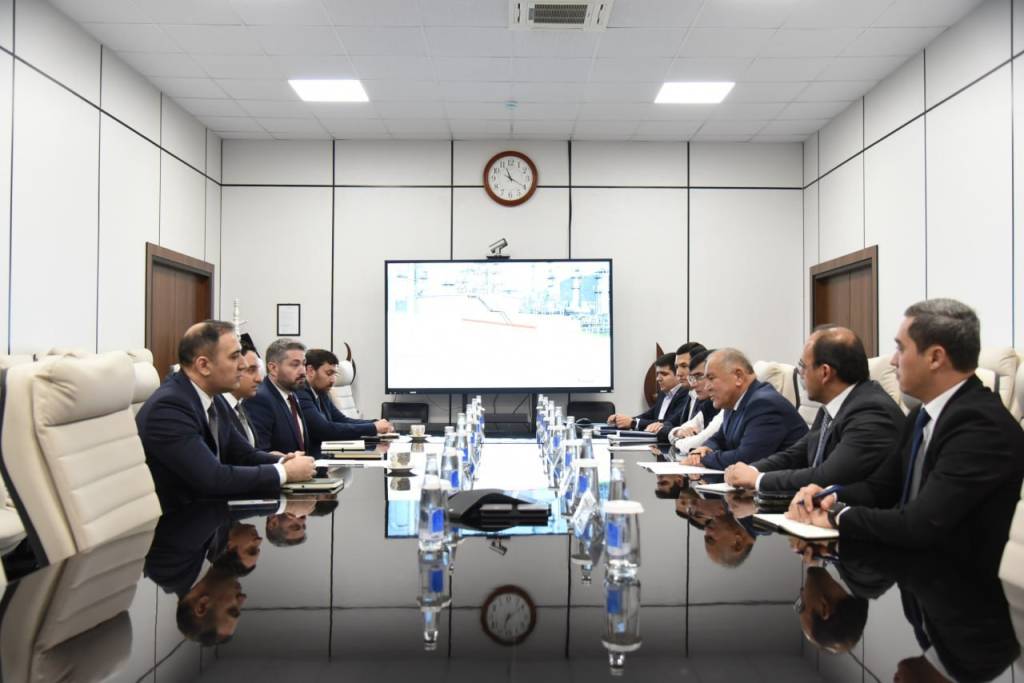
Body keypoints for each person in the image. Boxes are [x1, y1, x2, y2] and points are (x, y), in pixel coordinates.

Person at [788, 299, 1024, 555]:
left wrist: (838, 517)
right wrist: (830, 497)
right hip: (916, 566)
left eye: (900, 348)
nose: (892, 361)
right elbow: (880, 488)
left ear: (935, 358)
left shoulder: (981, 427)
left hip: (956, 573)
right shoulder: (920, 416)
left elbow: (921, 523)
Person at [136, 321, 314, 510]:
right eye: (235, 356)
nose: (243, 364)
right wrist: (283, 472)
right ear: (204, 365)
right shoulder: (169, 408)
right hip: (180, 519)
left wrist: (284, 461)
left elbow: (243, 454)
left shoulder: (214, 397)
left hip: (209, 513)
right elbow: (212, 478)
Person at [724, 327, 903, 492]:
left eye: (803, 366)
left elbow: (827, 476)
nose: (800, 374)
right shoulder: (831, 408)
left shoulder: (871, 412)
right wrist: (752, 469)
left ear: (824, 372)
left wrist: (758, 480)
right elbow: (797, 454)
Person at [684, 348, 807, 470]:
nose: (707, 387)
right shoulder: (733, 402)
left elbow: (746, 459)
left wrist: (704, 458)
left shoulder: (764, 404)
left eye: (711, 378)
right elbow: (719, 438)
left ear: (738, 376)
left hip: (791, 481)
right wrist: (705, 449)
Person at [296, 348, 393, 451]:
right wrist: (373, 427)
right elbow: (324, 430)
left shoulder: (321, 392)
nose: (333, 380)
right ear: (310, 371)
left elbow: (342, 420)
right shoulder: (301, 393)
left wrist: (375, 423)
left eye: (335, 374)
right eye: (329, 373)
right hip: (314, 456)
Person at [246, 338, 313, 454]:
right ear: (273, 368)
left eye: (303, 364)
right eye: (295, 365)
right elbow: (261, 452)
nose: (303, 371)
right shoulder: (260, 399)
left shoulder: (291, 394)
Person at [607, 353, 686, 430]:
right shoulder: (663, 393)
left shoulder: (686, 395)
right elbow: (649, 415)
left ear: (678, 374)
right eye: (657, 374)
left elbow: (668, 423)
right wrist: (623, 420)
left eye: (664, 374)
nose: (658, 379)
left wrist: (633, 423)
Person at [667, 348, 722, 451]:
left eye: (700, 376)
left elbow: (697, 443)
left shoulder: (732, 406)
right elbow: (673, 432)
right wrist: (678, 432)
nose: (693, 384)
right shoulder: (709, 405)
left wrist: (680, 441)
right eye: (692, 378)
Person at [222, 347, 263, 447]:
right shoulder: (217, 409)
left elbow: (248, 452)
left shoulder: (240, 406)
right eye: (251, 370)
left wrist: (273, 455)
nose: (259, 379)